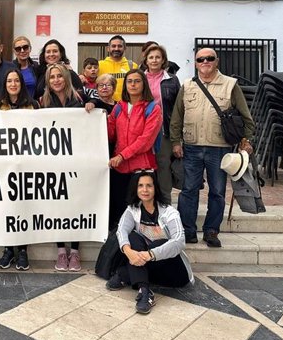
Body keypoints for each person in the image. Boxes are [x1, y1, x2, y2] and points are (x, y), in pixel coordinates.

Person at [170, 48, 254, 248]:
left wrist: (247, 140)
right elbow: (177, 117)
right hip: (192, 147)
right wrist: (175, 141)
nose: (205, 61)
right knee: (189, 190)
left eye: (209, 58)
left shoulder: (230, 85)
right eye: (201, 59)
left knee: (217, 191)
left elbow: (246, 117)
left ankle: (211, 230)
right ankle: (188, 230)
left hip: (220, 148)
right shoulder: (187, 86)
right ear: (196, 63)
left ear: (217, 61)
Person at [107, 171, 194, 315]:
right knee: (132, 238)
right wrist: (128, 251)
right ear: (135, 189)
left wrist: (150, 254)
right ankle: (144, 291)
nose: (145, 190)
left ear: (156, 188)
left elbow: (179, 241)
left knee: (157, 244)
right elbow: (121, 231)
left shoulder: (169, 212)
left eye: (149, 186)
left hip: (174, 272)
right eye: (140, 186)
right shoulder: (132, 210)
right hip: (149, 268)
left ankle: (125, 274)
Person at [39, 63, 94, 271]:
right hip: (53, 163)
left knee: (76, 204)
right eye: (52, 77)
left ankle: (76, 252)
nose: (56, 80)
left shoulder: (80, 98)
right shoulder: (43, 101)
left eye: (59, 76)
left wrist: (92, 105)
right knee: (58, 206)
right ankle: (61, 251)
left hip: (77, 161)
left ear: (66, 78)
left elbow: (102, 104)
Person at [0, 68, 39, 271]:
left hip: (26, 165)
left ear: (21, 83)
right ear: (5, 84)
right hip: (3, 166)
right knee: (7, 206)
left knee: (23, 206)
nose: (13, 84)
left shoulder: (33, 105)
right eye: (9, 81)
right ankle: (8, 249)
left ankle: (23, 250)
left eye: (16, 80)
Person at [107, 69, 163, 231]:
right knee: (118, 211)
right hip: (119, 168)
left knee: (139, 214)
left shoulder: (153, 108)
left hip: (141, 168)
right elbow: (110, 134)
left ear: (144, 84)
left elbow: (145, 141)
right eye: (129, 81)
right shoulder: (119, 107)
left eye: (137, 81)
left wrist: (122, 155)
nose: (133, 84)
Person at [143, 44, 181, 203]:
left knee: (163, 166)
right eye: (151, 57)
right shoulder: (139, 78)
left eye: (157, 57)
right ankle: (145, 204)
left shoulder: (171, 80)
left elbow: (178, 109)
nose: (154, 60)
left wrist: (177, 138)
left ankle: (165, 203)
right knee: (144, 166)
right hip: (142, 130)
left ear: (163, 60)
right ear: (146, 60)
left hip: (163, 130)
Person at [98, 35, 138, 101]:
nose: (116, 49)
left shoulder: (133, 66)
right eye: (113, 46)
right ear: (108, 48)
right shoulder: (99, 65)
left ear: (125, 48)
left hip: (126, 105)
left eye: (120, 46)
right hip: (105, 106)